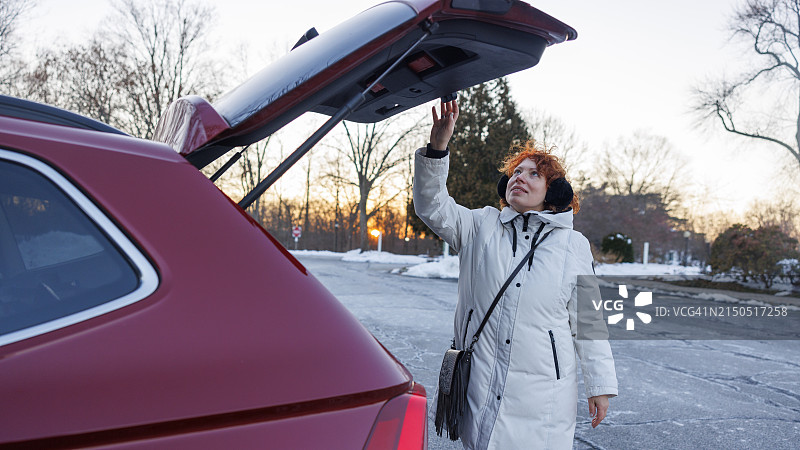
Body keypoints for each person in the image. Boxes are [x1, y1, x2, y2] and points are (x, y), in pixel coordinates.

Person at [415, 100, 618, 450]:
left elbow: (589, 322)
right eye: (516, 172)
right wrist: (437, 149)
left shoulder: (573, 246)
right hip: (480, 380)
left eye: (533, 173)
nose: (520, 177)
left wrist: (599, 385)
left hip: (545, 393)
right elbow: (432, 205)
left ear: (554, 193)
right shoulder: (480, 226)